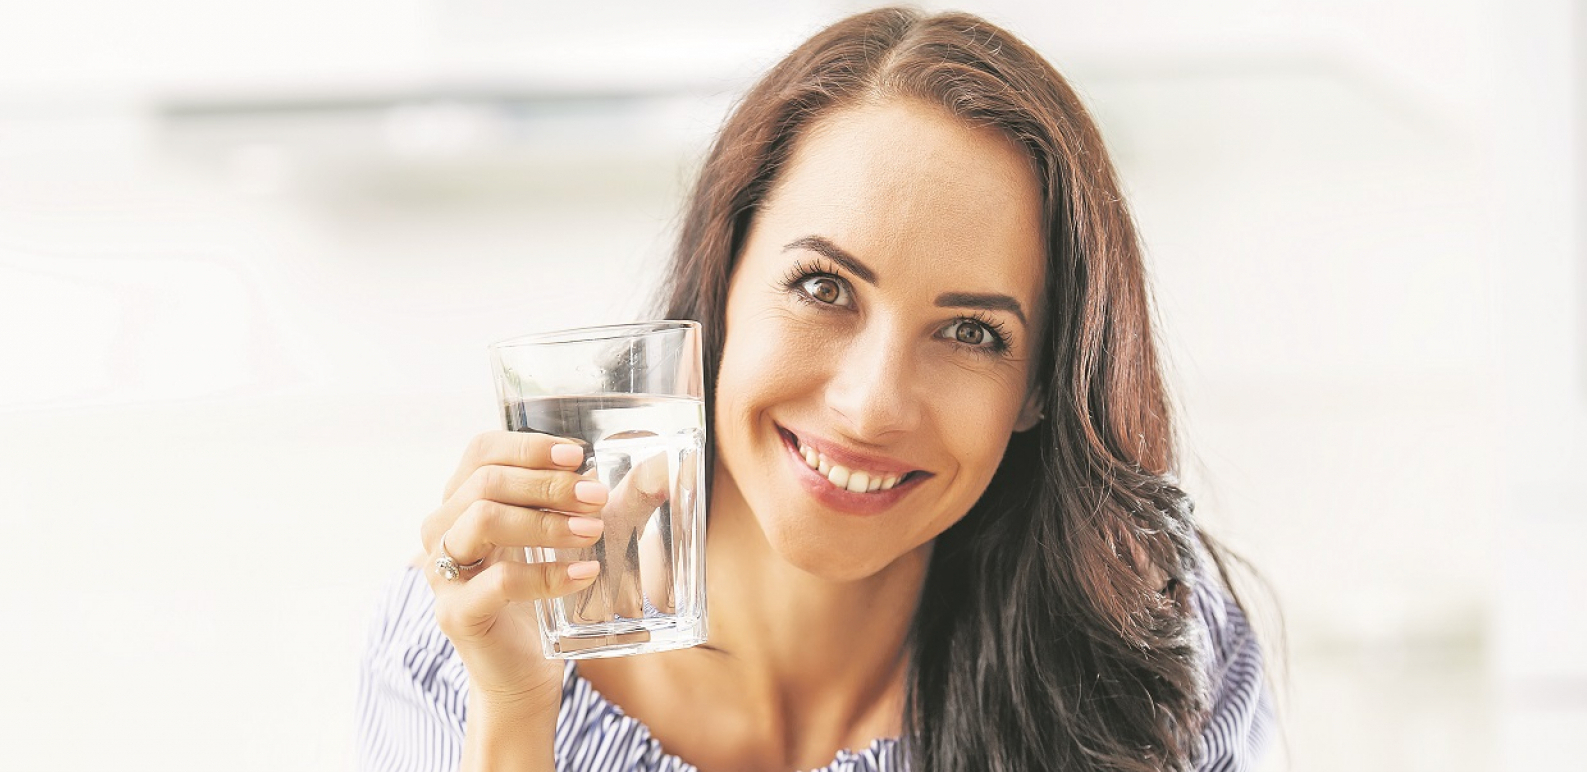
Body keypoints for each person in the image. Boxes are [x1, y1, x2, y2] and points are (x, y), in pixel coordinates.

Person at [358, 7, 1272, 772]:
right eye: (823, 287)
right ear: (723, 278)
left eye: (971, 333)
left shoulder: (1149, 653)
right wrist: (516, 714)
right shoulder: (468, 642)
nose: (871, 405)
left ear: (1040, 385)